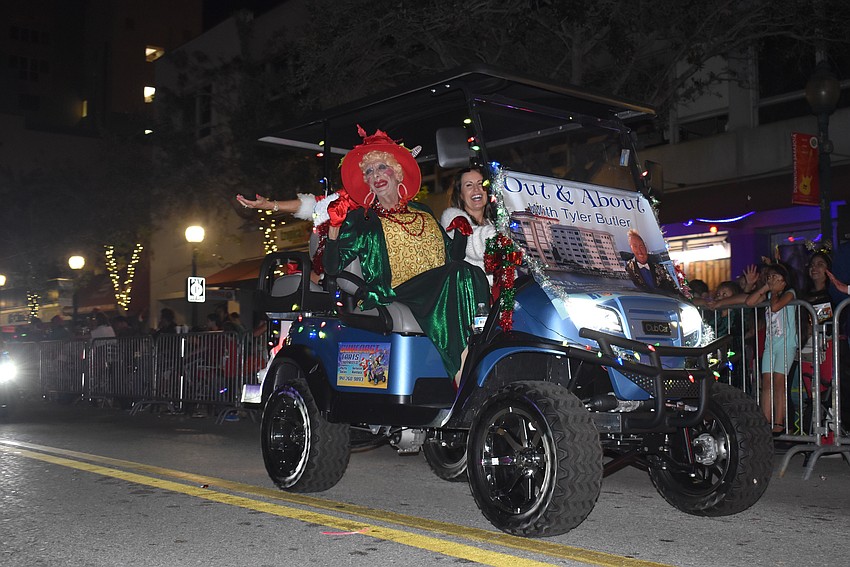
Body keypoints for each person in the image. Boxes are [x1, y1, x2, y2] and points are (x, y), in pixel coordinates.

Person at [322, 127, 489, 382]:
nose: (376, 175)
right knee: (459, 274)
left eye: (382, 167)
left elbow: (451, 258)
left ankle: (479, 348)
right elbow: (332, 268)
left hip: (436, 284)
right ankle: (463, 369)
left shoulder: (422, 211)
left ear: (397, 172)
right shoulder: (361, 219)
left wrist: (461, 234)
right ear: (366, 181)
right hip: (397, 289)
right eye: (369, 171)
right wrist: (334, 229)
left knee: (473, 273)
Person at [745, 262, 797, 435]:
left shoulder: (790, 293)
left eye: (776, 276)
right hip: (770, 345)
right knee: (766, 382)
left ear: (784, 279)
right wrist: (765, 288)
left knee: (779, 382)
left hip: (785, 344)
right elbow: (750, 302)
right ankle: (766, 420)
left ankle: (779, 422)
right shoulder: (769, 295)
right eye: (770, 276)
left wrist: (774, 291)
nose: (772, 279)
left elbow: (776, 307)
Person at [439, 166, 497, 284]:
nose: (476, 189)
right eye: (469, 185)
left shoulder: (493, 221)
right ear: (460, 194)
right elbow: (473, 242)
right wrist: (502, 235)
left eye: (480, 184)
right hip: (472, 297)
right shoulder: (453, 217)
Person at [624, 229, 679, 293]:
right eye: (635, 246)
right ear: (631, 249)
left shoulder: (659, 267)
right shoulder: (628, 269)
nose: (639, 251)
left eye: (641, 246)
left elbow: (672, 287)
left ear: (645, 247)